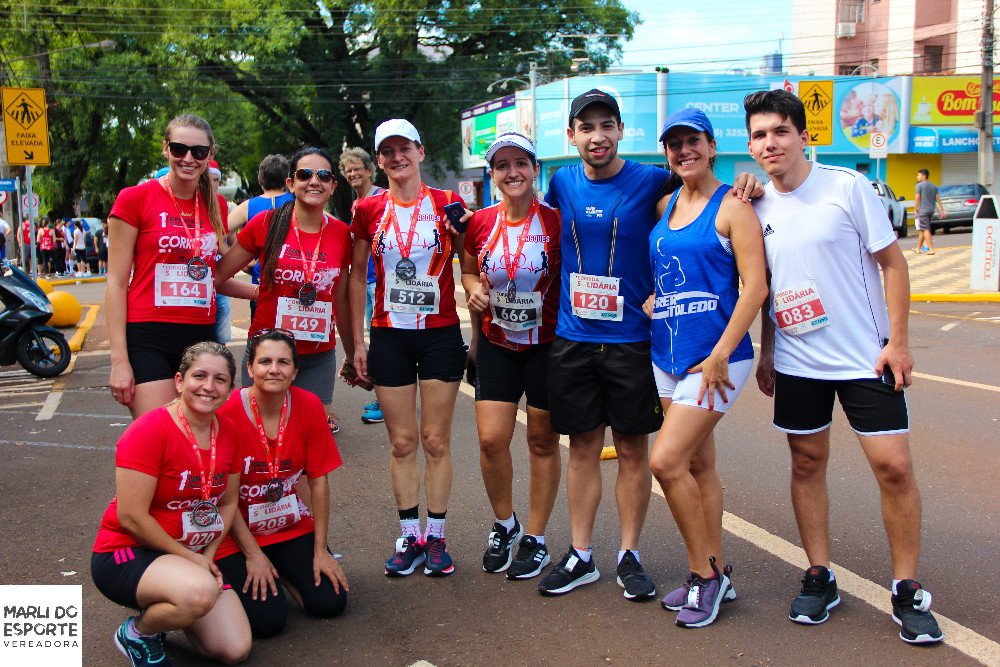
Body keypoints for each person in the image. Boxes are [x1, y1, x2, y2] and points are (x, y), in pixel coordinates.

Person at [536, 90, 761, 600]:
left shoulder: (653, 180)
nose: (597, 136)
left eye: (607, 125)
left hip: (636, 342)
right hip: (574, 337)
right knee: (583, 450)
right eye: (586, 127)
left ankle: (630, 555)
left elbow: (704, 197)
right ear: (571, 135)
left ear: (620, 131)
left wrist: (751, 181)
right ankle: (581, 554)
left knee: (638, 451)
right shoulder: (561, 181)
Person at [745, 89, 943, 645]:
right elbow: (764, 288)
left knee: (894, 469)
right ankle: (820, 574)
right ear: (751, 144)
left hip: (865, 357)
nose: (770, 143)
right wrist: (767, 351)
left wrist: (899, 343)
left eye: (780, 131)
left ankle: (907, 588)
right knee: (806, 463)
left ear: (803, 135)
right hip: (797, 360)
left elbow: (893, 264)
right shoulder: (754, 204)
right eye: (759, 135)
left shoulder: (846, 187)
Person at [642, 108, 768, 627]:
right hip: (666, 354)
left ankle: (704, 578)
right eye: (674, 143)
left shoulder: (734, 205)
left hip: (716, 360)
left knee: (665, 462)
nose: (683, 150)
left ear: (712, 146)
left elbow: (755, 286)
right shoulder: (666, 203)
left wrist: (719, 353)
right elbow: (673, 273)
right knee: (697, 465)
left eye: (692, 140)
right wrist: (656, 299)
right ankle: (717, 569)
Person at [348, 118, 466, 578]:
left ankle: (436, 536)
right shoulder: (367, 209)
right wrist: (357, 342)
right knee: (401, 443)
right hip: (389, 334)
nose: (397, 158)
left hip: (439, 333)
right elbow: (358, 276)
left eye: (405, 149)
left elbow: (472, 259)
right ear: (379, 160)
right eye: (387, 152)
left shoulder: (449, 202)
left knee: (435, 440)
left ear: (419, 152)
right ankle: (410, 534)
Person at [90, 342, 252, 666]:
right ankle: (139, 632)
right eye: (200, 376)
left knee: (235, 649)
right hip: (127, 552)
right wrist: (192, 560)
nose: (209, 386)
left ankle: (171, 604)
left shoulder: (231, 432)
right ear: (179, 381)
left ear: (231, 389)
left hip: (188, 554)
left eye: (220, 379)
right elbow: (131, 517)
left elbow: (228, 502)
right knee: (200, 593)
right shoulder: (149, 429)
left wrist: (207, 555)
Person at [461, 133, 562, 579]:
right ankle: (506, 523)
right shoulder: (479, 222)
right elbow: (467, 269)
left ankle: (536, 538)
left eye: (520, 163)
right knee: (490, 440)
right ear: (493, 174)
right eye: (502, 165)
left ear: (535, 168)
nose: (512, 172)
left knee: (541, 441)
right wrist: (473, 292)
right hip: (498, 345)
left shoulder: (558, 221)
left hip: (547, 345)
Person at [215, 329, 348, 638]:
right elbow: (223, 498)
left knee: (330, 603)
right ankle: (264, 568)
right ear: (249, 369)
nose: (274, 369)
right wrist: (252, 554)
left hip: (287, 525)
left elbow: (318, 482)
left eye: (283, 362)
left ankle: (283, 572)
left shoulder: (309, 405)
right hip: (237, 534)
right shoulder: (227, 412)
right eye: (264, 361)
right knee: (267, 622)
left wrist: (320, 550)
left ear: (295, 370)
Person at [214, 147, 354, 433]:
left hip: (317, 357)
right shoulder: (266, 223)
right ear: (291, 183)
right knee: (258, 444)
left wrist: (353, 354)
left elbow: (340, 300)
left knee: (307, 447)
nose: (314, 181)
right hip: (267, 355)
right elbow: (216, 277)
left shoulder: (341, 234)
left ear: (332, 186)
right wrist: (257, 292)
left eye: (324, 175)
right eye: (305, 174)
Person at [106, 114, 230, 418]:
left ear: (210, 155)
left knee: (201, 438)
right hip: (149, 335)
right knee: (157, 436)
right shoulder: (134, 198)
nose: (188, 158)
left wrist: (261, 291)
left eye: (198, 152)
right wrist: (119, 361)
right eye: (179, 149)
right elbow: (116, 283)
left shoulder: (217, 205)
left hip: (202, 334)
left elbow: (210, 276)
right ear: (166, 149)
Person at [339, 147, 384, 425]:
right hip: (362, 279)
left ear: (370, 170)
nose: (353, 173)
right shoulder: (357, 203)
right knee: (370, 339)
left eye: (358, 168)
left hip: (378, 281)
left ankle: (385, 399)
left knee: (379, 341)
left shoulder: (380, 197)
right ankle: (383, 393)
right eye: (348, 170)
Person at [227, 154, 295, 323]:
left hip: (261, 278)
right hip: (295, 276)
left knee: (261, 332)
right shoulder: (298, 202)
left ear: (259, 180)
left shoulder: (248, 205)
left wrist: (239, 262)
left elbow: (217, 233)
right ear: (288, 180)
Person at [914, 168, 945, 255]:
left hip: (923, 211)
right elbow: (937, 199)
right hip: (931, 210)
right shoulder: (933, 186)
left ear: (924, 176)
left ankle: (931, 249)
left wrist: (915, 209)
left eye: (919, 175)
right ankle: (918, 248)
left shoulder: (919, 186)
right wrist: (942, 210)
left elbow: (917, 198)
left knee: (925, 229)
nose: (917, 177)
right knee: (922, 229)